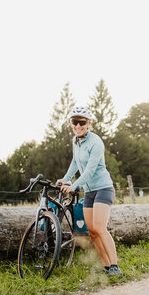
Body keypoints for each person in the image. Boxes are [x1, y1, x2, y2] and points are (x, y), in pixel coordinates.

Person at [56, 106, 122, 278]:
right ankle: (106, 267)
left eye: (81, 122)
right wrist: (66, 178)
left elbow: (90, 170)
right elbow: (75, 163)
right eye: (74, 122)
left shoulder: (96, 142)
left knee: (100, 228)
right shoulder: (76, 140)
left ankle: (115, 266)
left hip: (103, 188)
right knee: (92, 231)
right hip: (90, 191)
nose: (77, 126)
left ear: (89, 123)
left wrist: (74, 186)